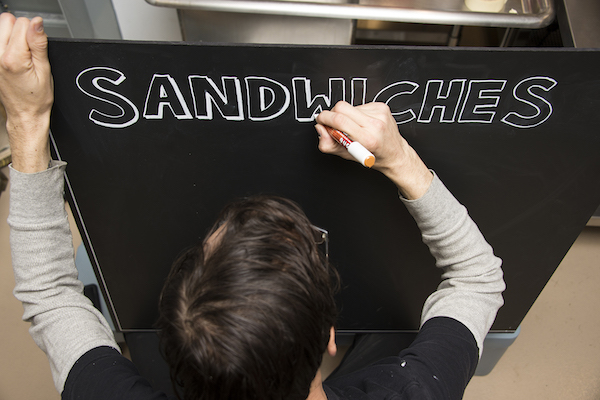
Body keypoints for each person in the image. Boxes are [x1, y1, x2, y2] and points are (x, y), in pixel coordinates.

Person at [2, 13, 505, 400]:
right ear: (330, 336)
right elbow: (478, 278)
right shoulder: (416, 388)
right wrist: (398, 159)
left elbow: (49, 295)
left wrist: (26, 119)